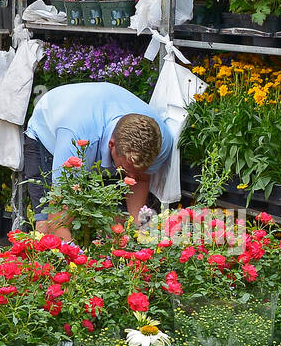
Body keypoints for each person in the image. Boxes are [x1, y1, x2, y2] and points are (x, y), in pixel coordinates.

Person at [22, 81, 173, 237]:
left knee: (116, 223)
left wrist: (140, 233)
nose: (132, 178)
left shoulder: (160, 141)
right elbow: (57, 224)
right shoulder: (76, 142)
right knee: (46, 227)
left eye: (138, 170)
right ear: (111, 145)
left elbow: (140, 180)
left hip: (95, 114)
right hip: (49, 128)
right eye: (127, 170)